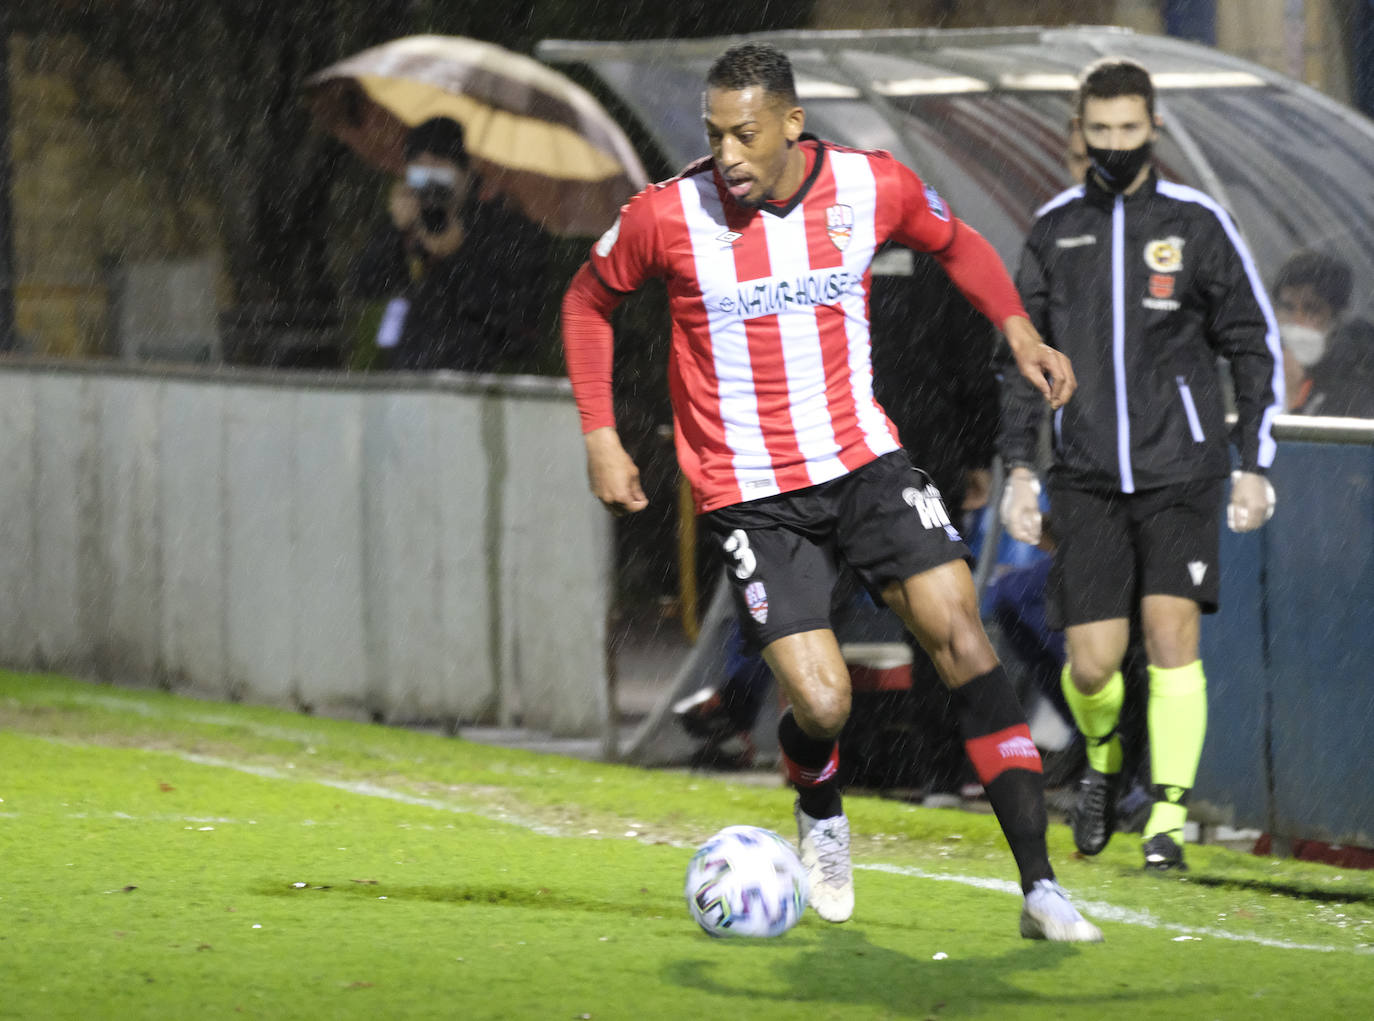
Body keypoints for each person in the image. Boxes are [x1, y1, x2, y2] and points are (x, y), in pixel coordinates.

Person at [561, 41, 1101, 941]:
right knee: (822, 704)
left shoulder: (869, 185)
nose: (726, 153)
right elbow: (587, 301)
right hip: (752, 491)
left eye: (744, 134)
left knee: (963, 634)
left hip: (863, 464)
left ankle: (1041, 888)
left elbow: (955, 240)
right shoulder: (667, 214)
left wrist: (1017, 329)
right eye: (713, 134)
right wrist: (601, 436)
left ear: (791, 124)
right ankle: (819, 803)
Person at [998, 57, 1284, 872]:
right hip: (1085, 476)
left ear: (1154, 128)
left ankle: (1166, 818)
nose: (1115, 145)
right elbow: (1016, 360)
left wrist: (1253, 461)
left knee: (1170, 638)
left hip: (1180, 472)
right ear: (1080, 133)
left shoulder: (1197, 224)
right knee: (1090, 664)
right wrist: (1022, 469)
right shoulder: (1054, 229)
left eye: (1129, 130)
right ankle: (1103, 757)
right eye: (1100, 132)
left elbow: (1250, 342)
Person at [348, 117, 550, 372]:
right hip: (405, 375)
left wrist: (458, 254)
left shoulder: (506, 224)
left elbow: (512, 315)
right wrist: (394, 231)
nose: (429, 178)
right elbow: (364, 284)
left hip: (482, 381)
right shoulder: (409, 221)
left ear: (466, 172)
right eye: (419, 166)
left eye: (439, 164)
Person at [1272, 249, 1374, 417]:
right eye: (1287, 308)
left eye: (1311, 309)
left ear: (1335, 320)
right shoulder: (1249, 369)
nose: (1297, 320)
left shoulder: (1358, 387)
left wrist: (1289, 396)